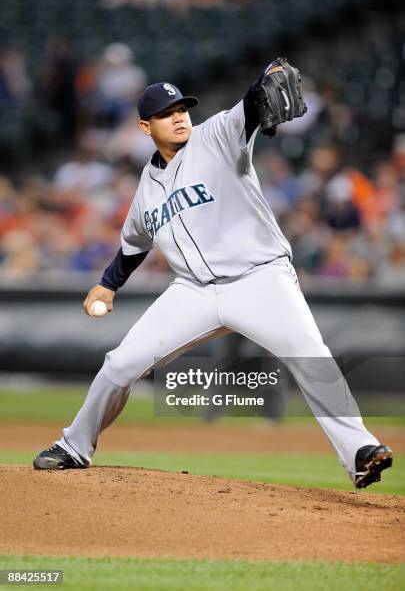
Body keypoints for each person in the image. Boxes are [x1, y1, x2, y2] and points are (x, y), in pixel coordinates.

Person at [33, 68, 393, 489]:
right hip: (193, 292)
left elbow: (249, 107)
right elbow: (134, 243)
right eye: (167, 113)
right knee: (119, 364)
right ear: (145, 127)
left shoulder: (216, 136)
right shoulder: (147, 188)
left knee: (310, 354)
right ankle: (75, 445)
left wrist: (263, 84)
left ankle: (360, 452)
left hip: (259, 278)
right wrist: (108, 284)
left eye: (182, 107)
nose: (180, 116)